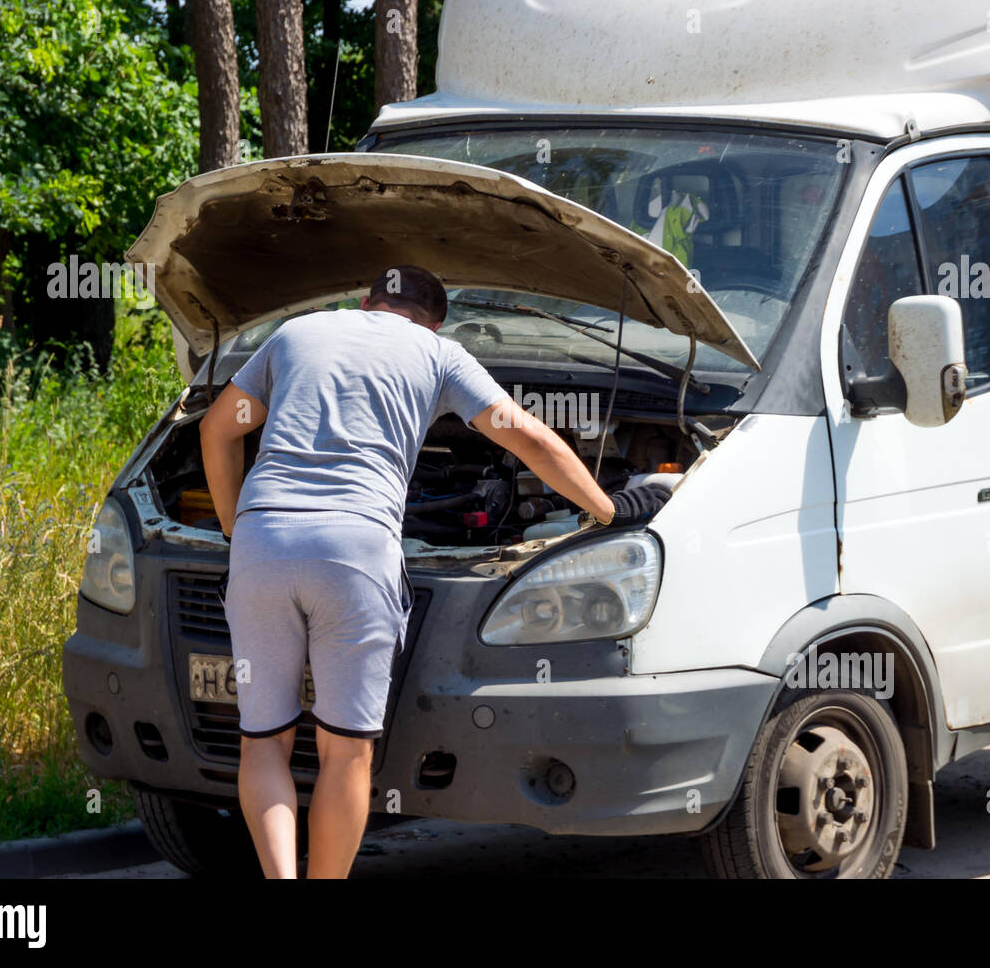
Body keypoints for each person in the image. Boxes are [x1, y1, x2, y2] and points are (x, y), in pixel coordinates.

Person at [199, 265, 670, 878]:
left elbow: (216, 430)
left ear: (365, 303)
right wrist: (609, 509)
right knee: (345, 751)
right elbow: (526, 437)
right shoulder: (440, 354)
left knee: (263, 742)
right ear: (435, 321)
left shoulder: (297, 333)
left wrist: (239, 532)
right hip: (356, 549)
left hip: (262, 543)